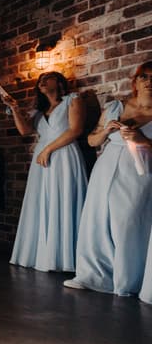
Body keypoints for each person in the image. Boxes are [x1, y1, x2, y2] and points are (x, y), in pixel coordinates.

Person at [63, 62, 152, 299]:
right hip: (106, 167)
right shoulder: (116, 106)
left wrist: (144, 140)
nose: (149, 82)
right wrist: (105, 133)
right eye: (144, 77)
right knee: (96, 219)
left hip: (139, 171)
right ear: (135, 81)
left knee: (127, 222)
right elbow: (92, 141)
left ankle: (127, 279)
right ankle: (91, 275)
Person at [3, 71, 88, 272]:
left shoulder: (72, 100)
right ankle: (42, 255)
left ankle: (64, 256)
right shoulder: (39, 112)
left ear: (59, 82)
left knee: (63, 199)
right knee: (41, 201)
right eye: (39, 80)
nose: (41, 81)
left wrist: (48, 149)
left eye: (46, 78)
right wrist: (14, 108)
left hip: (64, 155)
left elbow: (75, 130)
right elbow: (24, 131)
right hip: (41, 161)